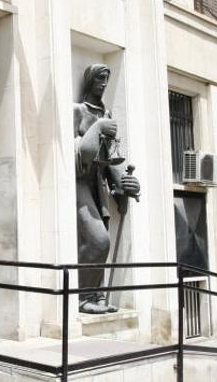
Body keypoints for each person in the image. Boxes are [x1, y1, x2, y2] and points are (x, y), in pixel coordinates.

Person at [74, 64, 139, 314]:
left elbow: (109, 157)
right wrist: (99, 127)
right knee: (99, 241)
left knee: (101, 244)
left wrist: (125, 184)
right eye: (100, 78)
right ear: (90, 80)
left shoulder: (107, 113)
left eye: (107, 80)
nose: (103, 84)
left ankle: (98, 295)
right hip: (79, 182)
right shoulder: (78, 111)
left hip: (98, 184)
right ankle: (82, 297)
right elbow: (80, 154)